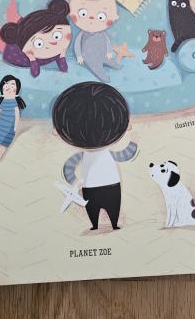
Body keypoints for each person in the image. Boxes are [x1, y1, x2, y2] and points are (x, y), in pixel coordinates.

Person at [52, 82, 138, 231]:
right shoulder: (107, 154)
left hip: (90, 186)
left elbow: (69, 168)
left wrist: (76, 183)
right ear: (125, 124)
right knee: (113, 205)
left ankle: (97, 225)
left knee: (93, 207)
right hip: (112, 184)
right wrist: (134, 142)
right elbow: (124, 155)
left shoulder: (82, 156)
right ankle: (111, 224)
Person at [0, 0, 71, 77]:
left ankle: (10, 12)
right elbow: (35, 73)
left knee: (22, 24)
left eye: (57, 36)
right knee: (11, 36)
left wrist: (62, 53)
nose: (52, 42)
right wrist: (31, 57)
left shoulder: (58, 48)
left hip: (28, 41)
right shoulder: (29, 49)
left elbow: (63, 68)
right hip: (18, 54)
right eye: (39, 43)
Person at [69, 0, 122, 82]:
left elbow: (108, 43)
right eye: (83, 13)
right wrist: (79, 56)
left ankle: (114, 64)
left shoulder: (102, 34)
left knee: (110, 61)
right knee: (96, 66)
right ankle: (103, 76)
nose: (91, 18)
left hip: (103, 54)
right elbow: (77, 44)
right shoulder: (82, 34)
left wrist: (109, 52)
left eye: (101, 16)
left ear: (114, 17)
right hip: (89, 57)